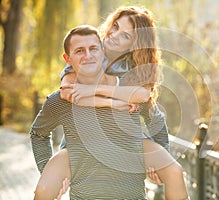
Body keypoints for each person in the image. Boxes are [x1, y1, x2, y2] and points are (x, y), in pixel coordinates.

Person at [31, 6, 189, 200]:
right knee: (45, 189)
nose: (113, 35)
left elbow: (150, 108)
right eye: (115, 27)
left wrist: (160, 155)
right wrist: (113, 102)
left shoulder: (132, 74)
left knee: (174, 171)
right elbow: (69, 92)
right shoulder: (89, 50)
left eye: (125, 36)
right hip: (79, 144)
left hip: (127, 144)